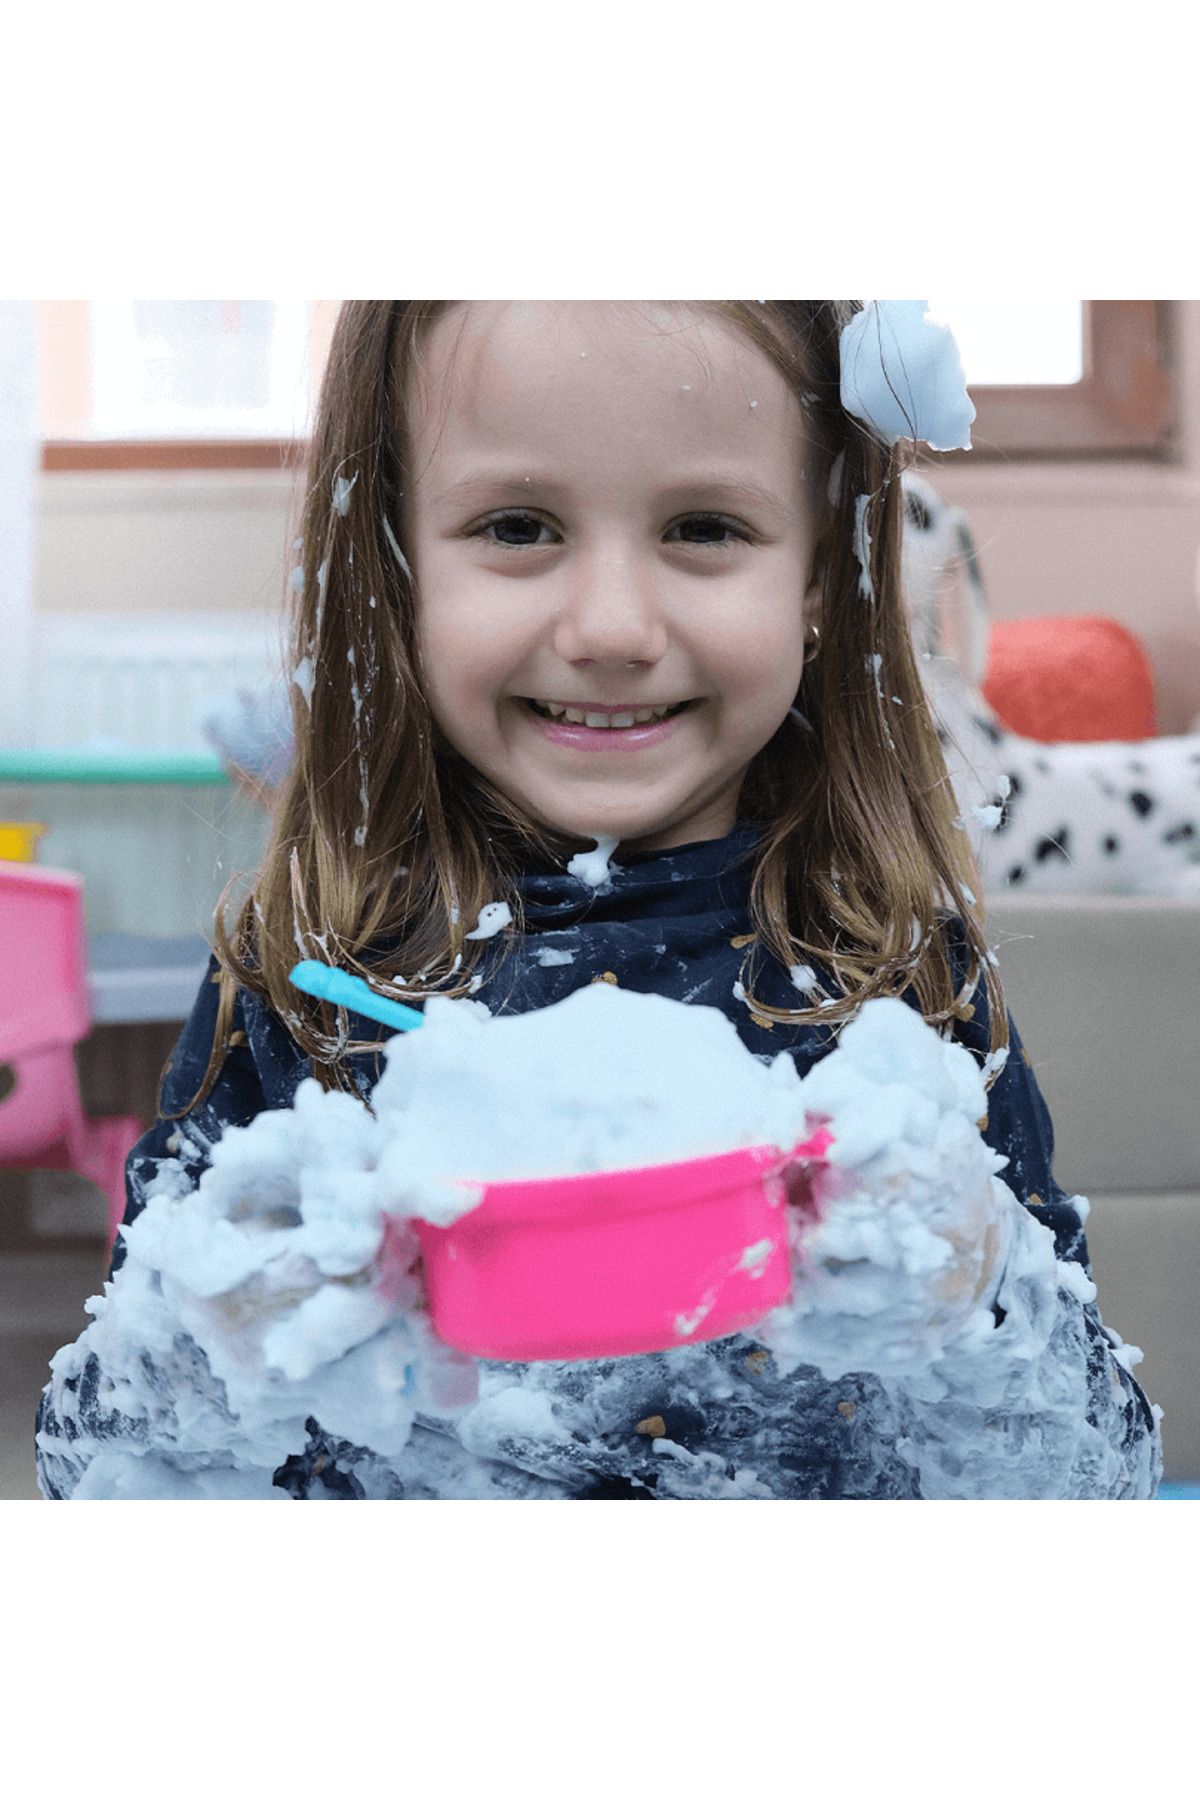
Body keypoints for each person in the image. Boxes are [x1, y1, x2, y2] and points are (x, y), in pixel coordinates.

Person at [36, 300, 1162, 1500]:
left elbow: (1097, 1481)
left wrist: (978, 1304)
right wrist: (212, 1346)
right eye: (518, 527)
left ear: (824, 572)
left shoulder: (898, 982)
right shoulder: (302, 974)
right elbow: (99, 1473)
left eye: (704, 528)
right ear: (397, 564)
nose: (612, 628)